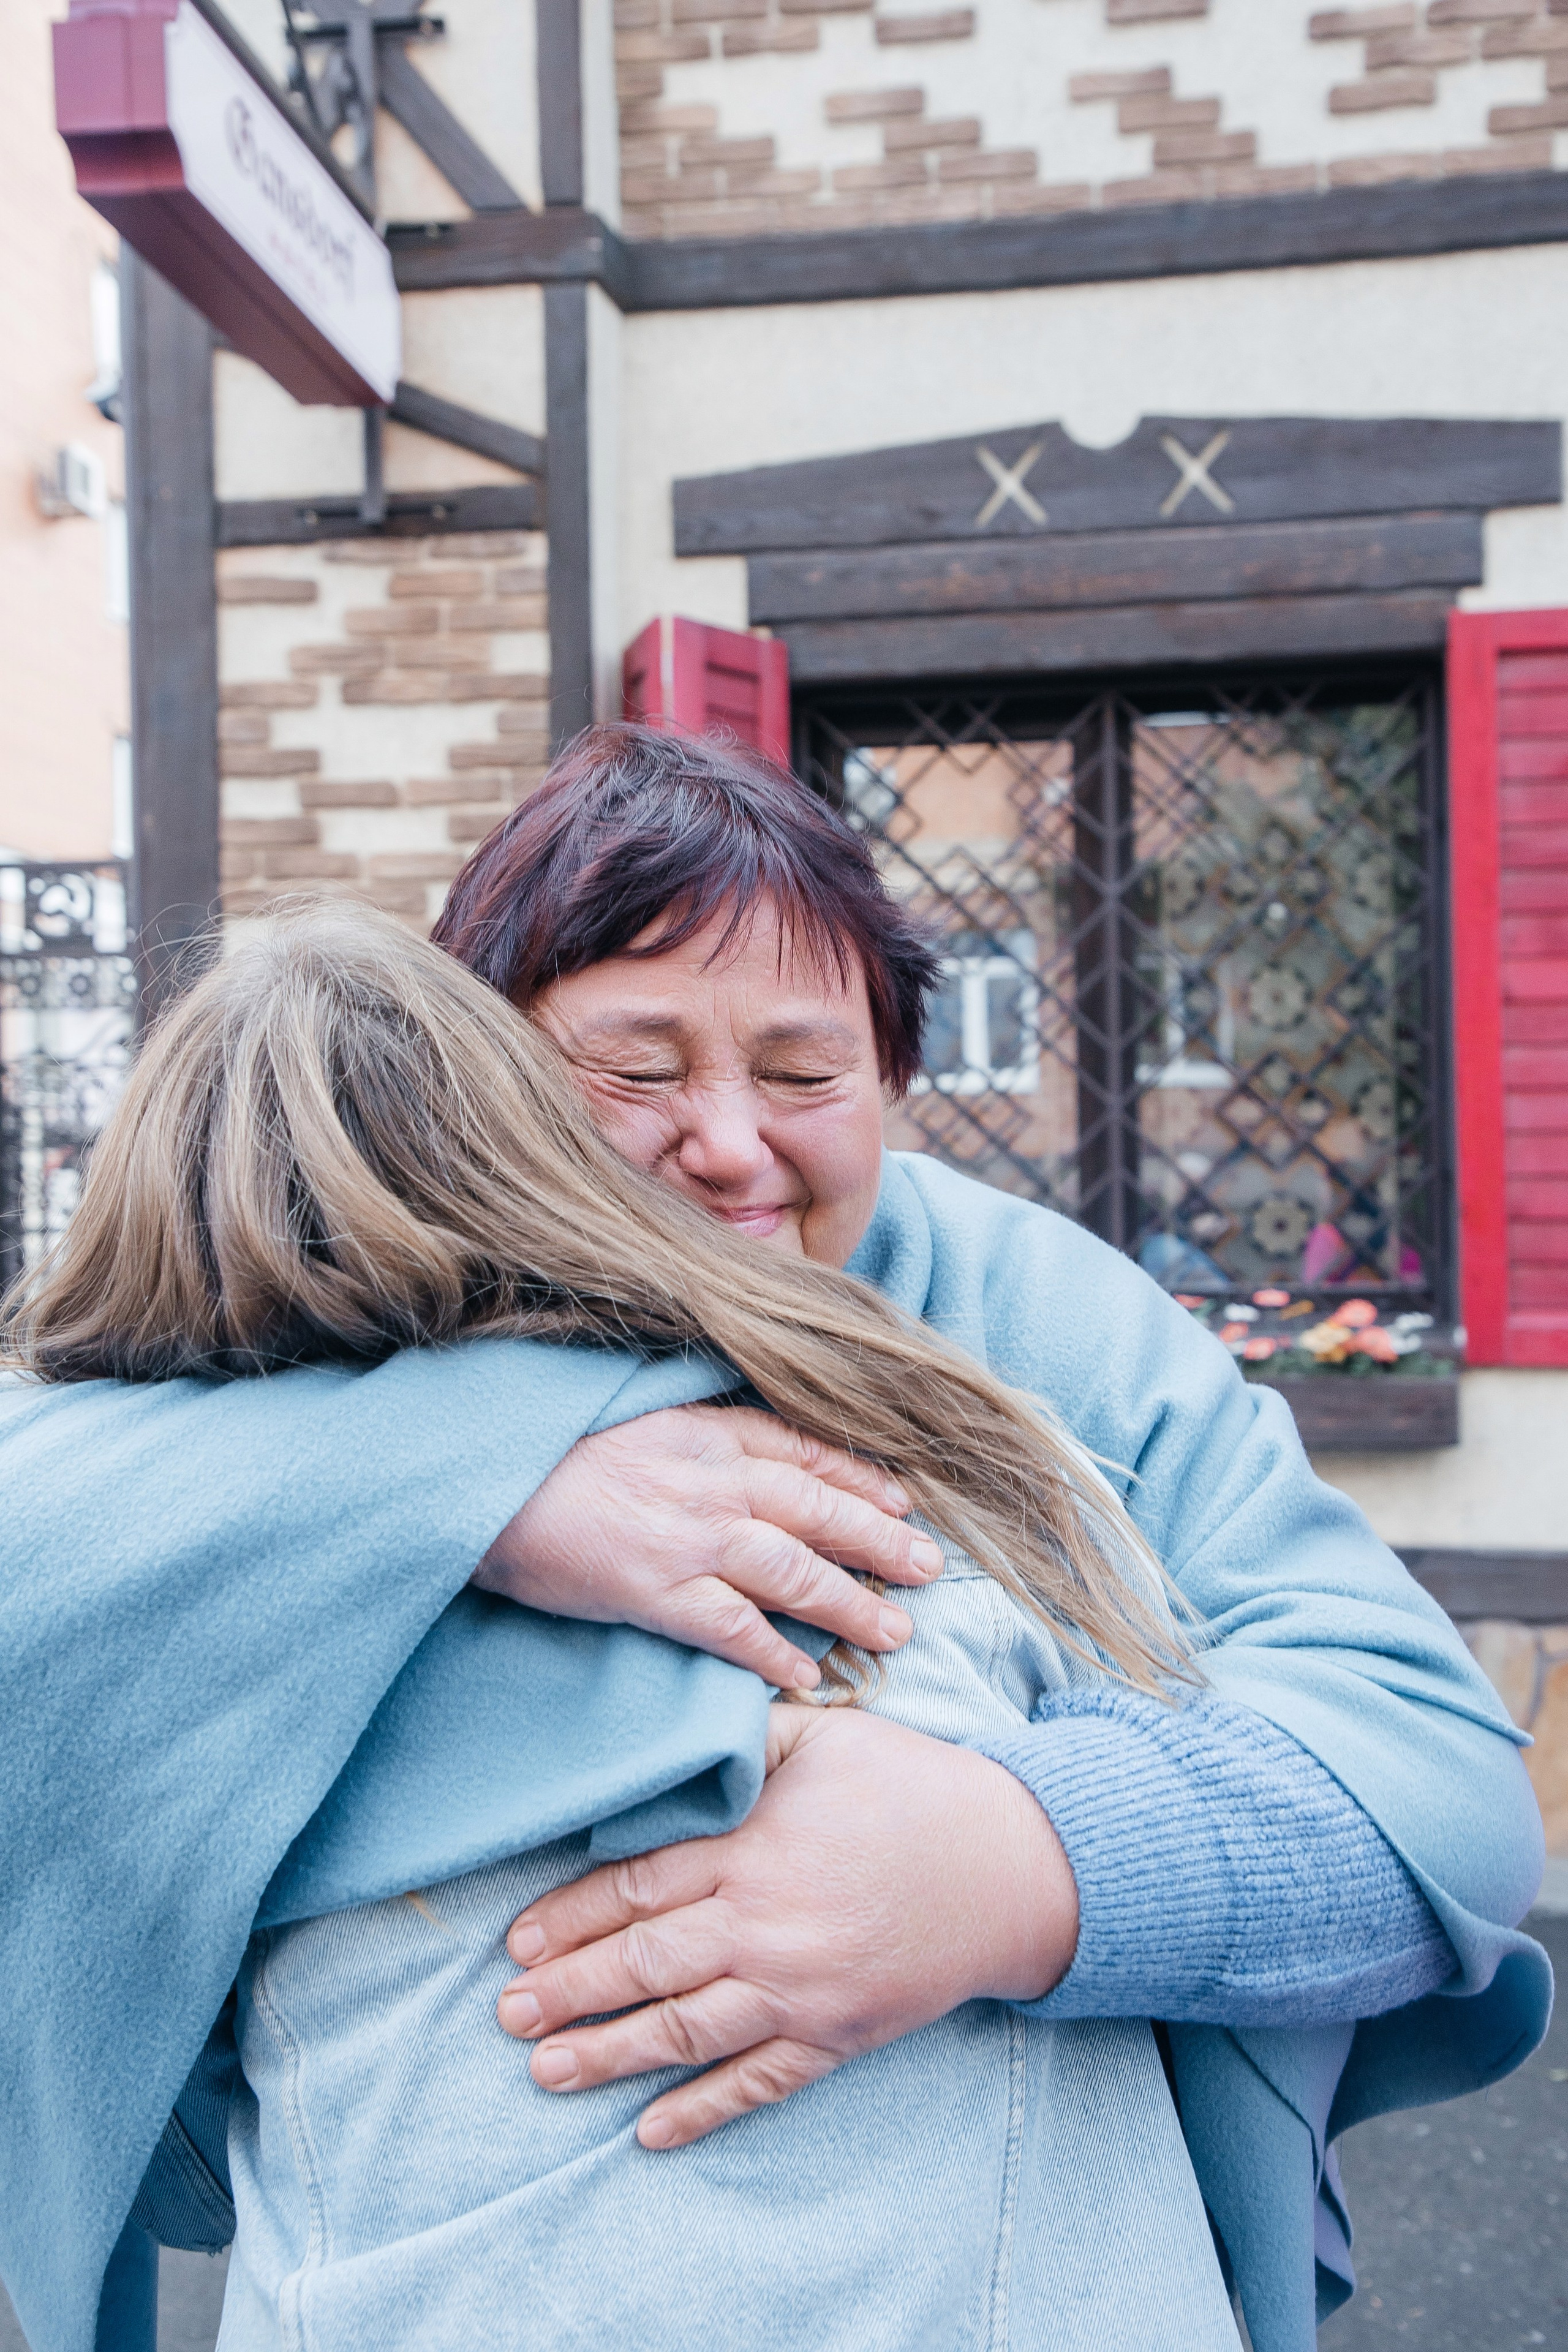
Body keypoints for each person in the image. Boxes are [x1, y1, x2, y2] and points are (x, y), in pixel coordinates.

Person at [0, 730, 1545, 2352]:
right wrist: (474, 1489)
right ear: (473, 1082)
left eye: (805, 1075)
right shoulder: (352, 1300)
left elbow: (1435, 1786)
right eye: (638, 1072)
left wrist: (1018, 1870)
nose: (732, 1146)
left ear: (887, 1082)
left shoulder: (1036, 1317)